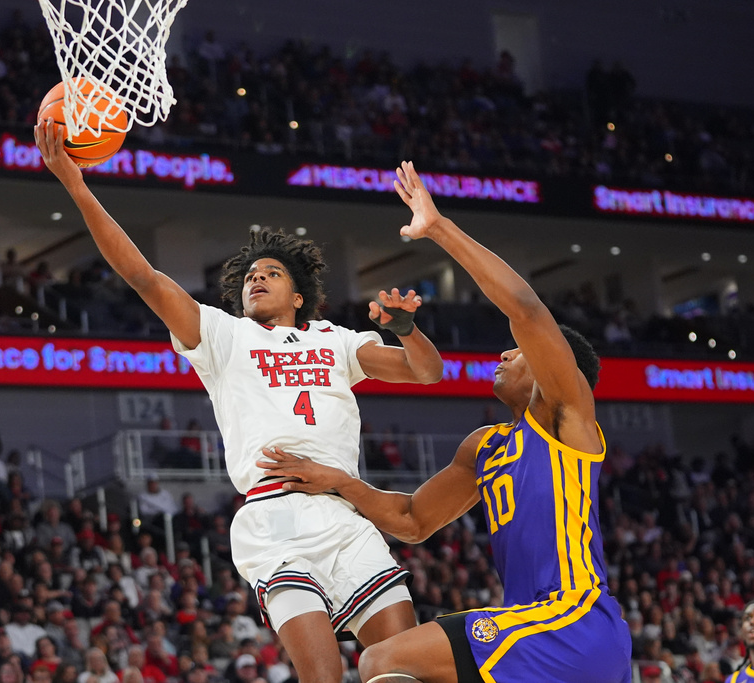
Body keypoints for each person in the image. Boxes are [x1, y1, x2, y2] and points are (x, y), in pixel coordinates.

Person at [35, 122, 444, 683]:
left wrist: (406, 329)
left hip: (344, 511)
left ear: (298, 295)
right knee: (321, 676)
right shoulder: (224, 337)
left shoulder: (336, 339)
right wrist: (77, 185)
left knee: (402, 667)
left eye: (271, 274)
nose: (257, 280)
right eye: (251, 275)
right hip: (273, 517)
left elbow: (427, 372)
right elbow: (144, 277)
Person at [259, 160, 631, 683]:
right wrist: (342, 482)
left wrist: (437, 227)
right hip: (539, 636)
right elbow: (412, 521)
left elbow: (524, 307)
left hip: (570, 622)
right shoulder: (486, 446)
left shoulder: (567, 420)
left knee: (383, 659)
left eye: (519, 352)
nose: (504, 354)